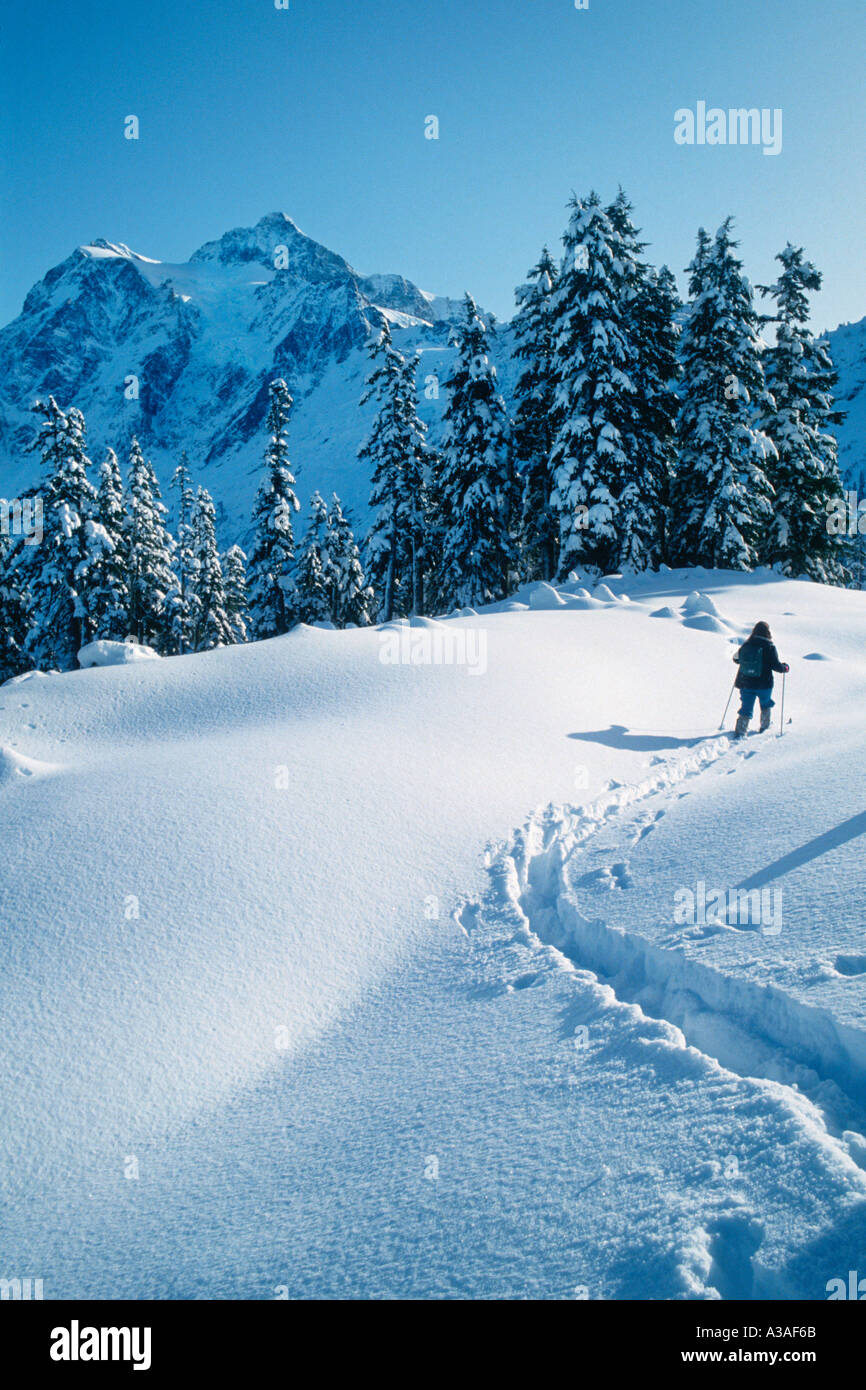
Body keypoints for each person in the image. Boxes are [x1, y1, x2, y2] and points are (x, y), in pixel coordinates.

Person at [732, 621, 789, 737]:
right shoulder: (769, 646)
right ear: (767, 632)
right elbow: (776, 666)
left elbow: (736, 659)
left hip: (745, 683)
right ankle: (764, 727)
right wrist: (785, 667)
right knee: (765, 704)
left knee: (746, 707)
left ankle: (741, 730)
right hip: (764, 684)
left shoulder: (747, 645)